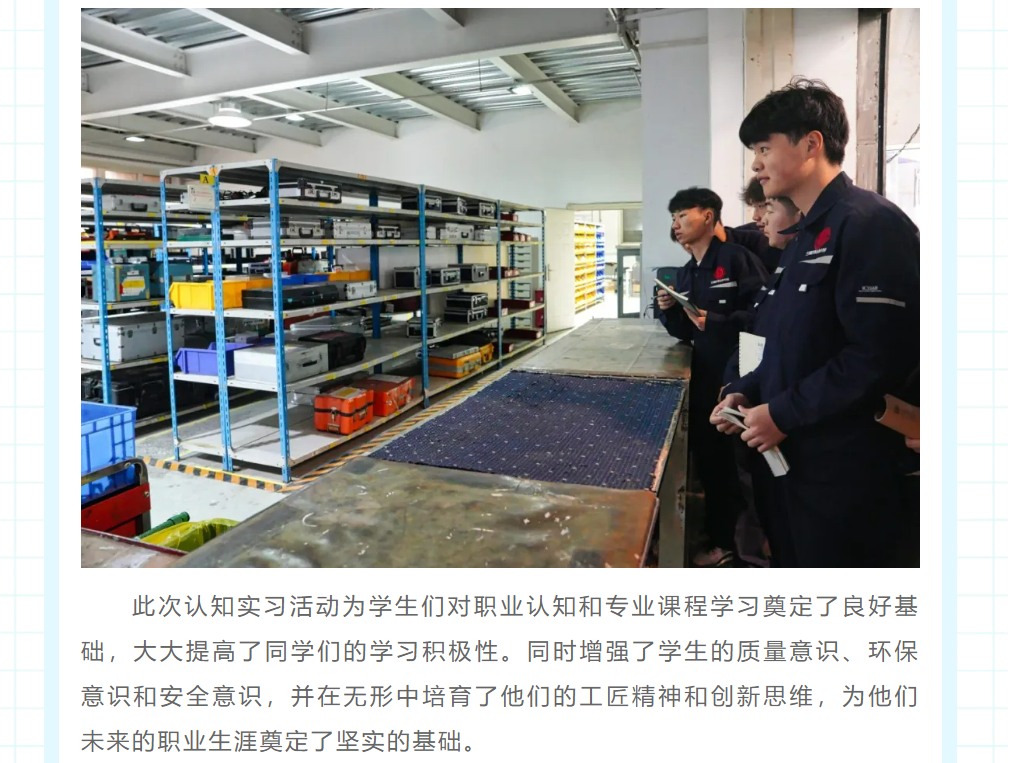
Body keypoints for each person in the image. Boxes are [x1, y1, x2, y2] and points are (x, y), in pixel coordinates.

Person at [711, 78, 920, 568]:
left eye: (764, 148)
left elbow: (875, 357)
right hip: (791, 466)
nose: (756, 164)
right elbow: (784, 343)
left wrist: (783, 414)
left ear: (811, 144)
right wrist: (746, 391)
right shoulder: (802, 238)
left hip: (842, 475)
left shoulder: (868, 223)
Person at [657, 187, 766, 566]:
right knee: (712, 463)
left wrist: (715, 321)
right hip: (704, 378)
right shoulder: (688, 272)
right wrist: (669, 309)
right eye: (673, 218)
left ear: (707, 216)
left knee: (740, 466)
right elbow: (685, 333)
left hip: (740, 378)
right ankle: (721, 537)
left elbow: (764, 318)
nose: (676, 224)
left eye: (682, 215)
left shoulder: (737, 259)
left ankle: (743, 548)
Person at [719, 194, 803, 567]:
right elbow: (757, 336)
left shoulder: (747, 257)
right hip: (760, 407)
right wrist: (738, 386)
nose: (759, 218)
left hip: (787, 421)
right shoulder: (784, 265)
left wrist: (781, 412)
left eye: (767, 207)